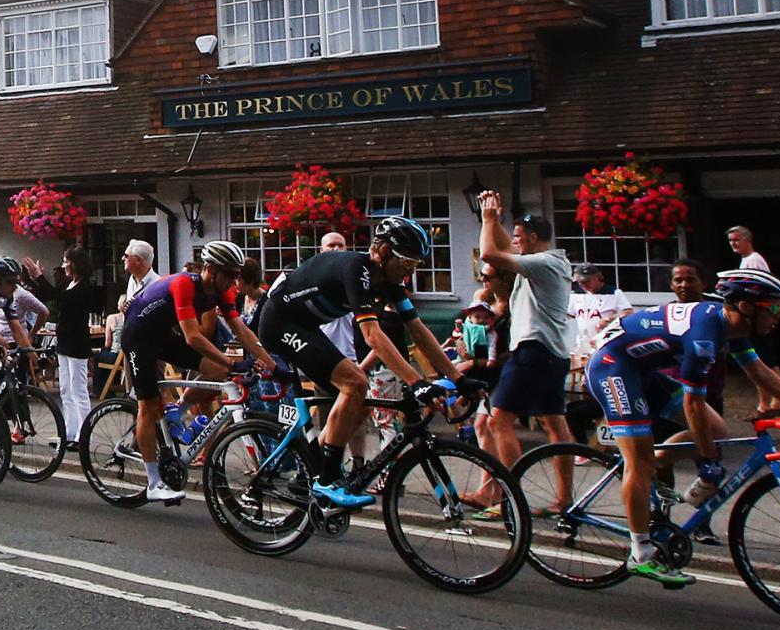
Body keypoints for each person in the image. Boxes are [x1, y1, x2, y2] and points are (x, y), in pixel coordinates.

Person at [583, 266, 780, 587]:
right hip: (612, 367)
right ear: (747, 307)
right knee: (639, 462)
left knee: (717, 431)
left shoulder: (731, 327)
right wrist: (708, 462)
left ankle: (654, 463)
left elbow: (761, 373)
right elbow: (692, 404)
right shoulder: (705, 336)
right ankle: (640, 554)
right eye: (776, 308)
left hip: (642, 370)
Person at [253, 218, 459, 508]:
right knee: (356, 382)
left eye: (416, 266)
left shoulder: (389, 282)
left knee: (362, 400)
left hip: (306, 325)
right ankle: (326, 480)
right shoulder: (356, 269)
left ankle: (314, 471)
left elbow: (418, 330)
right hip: (279, 323)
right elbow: (373, 336)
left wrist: (457, 378)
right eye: (408, 264)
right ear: (385, 252)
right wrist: (417, 382)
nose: (410, 273)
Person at [117, 241, 278, 505]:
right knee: (147, 405)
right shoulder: (184, 284)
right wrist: (231, 362)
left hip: (162, 335)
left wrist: (273, 367)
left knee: (218, 372)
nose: (235, 283)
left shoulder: (222, 291)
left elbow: (241, 330)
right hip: (137, 337)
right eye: (231, 275)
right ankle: (154, 483)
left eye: (238, 275)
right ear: (211, 270)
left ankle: (178, 410)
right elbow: (192, 337)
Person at [475, 194, 574, 500]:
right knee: (556, 427)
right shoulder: (553, 260)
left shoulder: (543, 263)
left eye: (519, 237)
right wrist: (496, 221)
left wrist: (489, 219)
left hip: (532, 350)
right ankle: (564, 500)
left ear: (533, 239)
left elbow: (491, 254)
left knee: (498, 420)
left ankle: (510, 497)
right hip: (554, 354)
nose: (515, 242)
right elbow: (505, 246)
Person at [49, 246, 103, 450]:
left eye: (66, 261)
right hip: (64, 341)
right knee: (65, 388)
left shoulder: (84, 287)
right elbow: (56, 296)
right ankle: (69, 432)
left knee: (79, 388)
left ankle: (83, 434)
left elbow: (61, 299)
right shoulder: (70, 284)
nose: (63, 265)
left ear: (75, 263)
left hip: (77, 342)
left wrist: (39, 278)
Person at [567, 265, 630, 353]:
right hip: (583, 344)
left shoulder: (614, 293)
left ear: (598, 277)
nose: (583, 285)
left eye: (586, 281)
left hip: (607, 343)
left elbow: (628, 312)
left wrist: (609, 319)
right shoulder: (576, 295)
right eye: (579, 282)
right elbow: (568, 315)